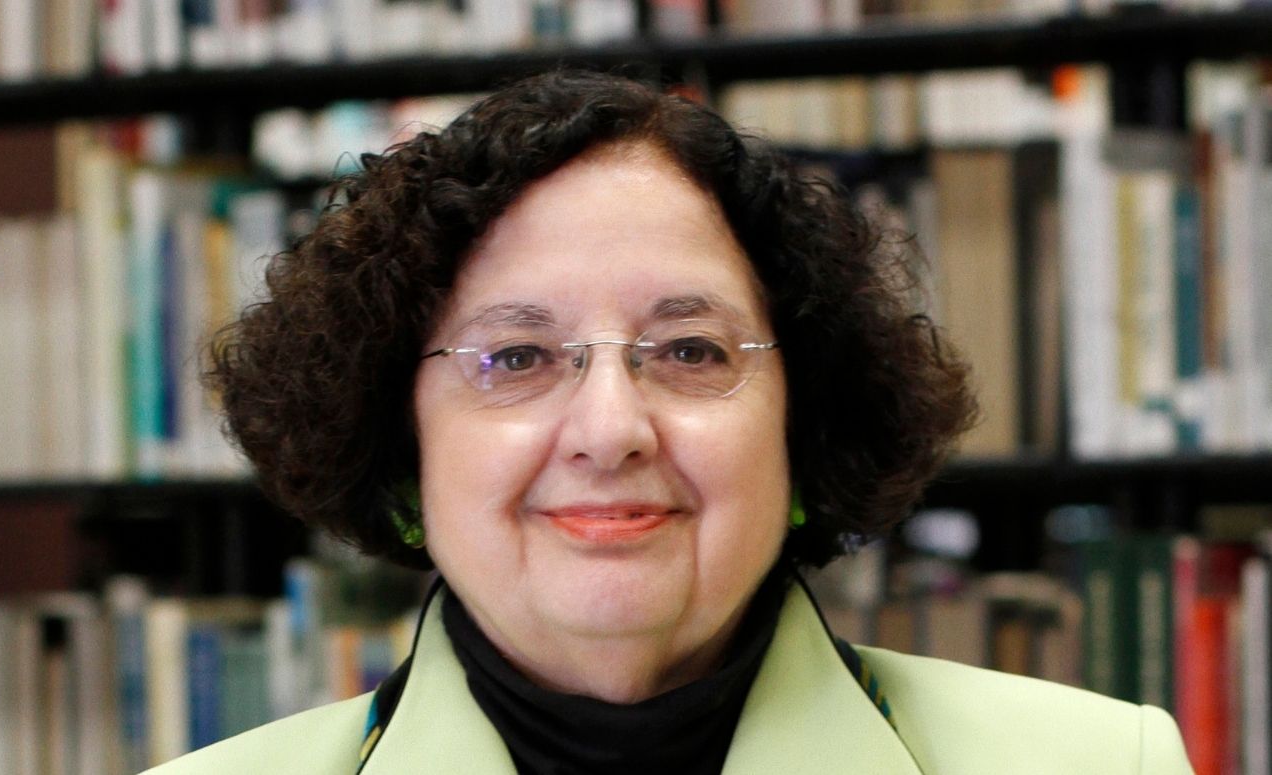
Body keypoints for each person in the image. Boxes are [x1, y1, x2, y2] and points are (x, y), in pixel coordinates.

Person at [146, 70, 1193, 774]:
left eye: (691, 350)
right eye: (516, 356)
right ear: (401, 452)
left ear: (803, 429)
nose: (612, 430)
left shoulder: (1103, 761)